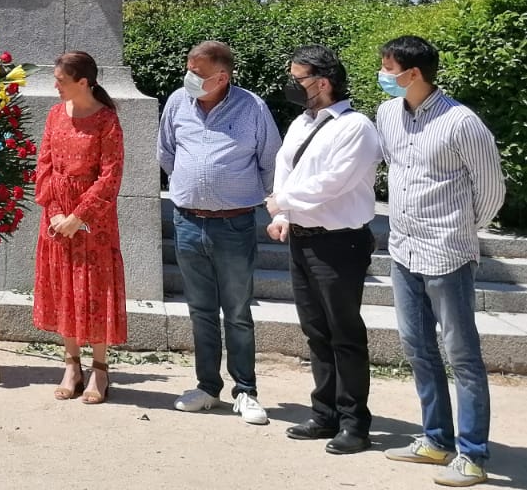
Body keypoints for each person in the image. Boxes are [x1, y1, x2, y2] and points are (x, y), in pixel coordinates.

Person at [377, 36, 506, 488]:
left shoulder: (461, 122)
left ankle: (472, 453)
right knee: (417, 348)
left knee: (462, 355)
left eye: (388, 68)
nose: (383, 75)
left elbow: (490, 191)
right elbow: (394, 168)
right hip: (403, 249)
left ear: (413, 74)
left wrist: (459, 230)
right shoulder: (388, 114)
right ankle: (435, 439)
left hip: (446, 253)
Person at [266, 45, 384, 454]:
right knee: (316, 331)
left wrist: (282, 201)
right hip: (303, 238)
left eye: (297, 78)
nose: (291, 85)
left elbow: (333, 182)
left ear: (323, 82)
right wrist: (284, 214)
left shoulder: (356, 127)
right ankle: (325, 413)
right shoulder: (302, 122)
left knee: (344, 334)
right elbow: (287, 168)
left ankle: (355, 423)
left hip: (340, 243)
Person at [158, 40, 281, 424]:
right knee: (200, 311)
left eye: (198, 73)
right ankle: (208, 387)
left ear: (222, 76)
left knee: (238, 311)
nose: (189, 77)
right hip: (188, 221)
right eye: (189, 69)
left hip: (234, 223)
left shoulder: (253, 107)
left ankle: (245, 390)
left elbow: (270, 163)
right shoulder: (179, 101)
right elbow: (166, 151)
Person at [34, 50, 127, 404]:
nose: (55, 85)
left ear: (83, 82)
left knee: (94, 288)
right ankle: (71, 365)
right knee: (63, 287)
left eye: (60, 80)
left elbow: (110, 175)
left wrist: (79, 216)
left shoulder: (107, 122)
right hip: (56, 219)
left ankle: (100, 369)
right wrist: (57, 211)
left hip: (94, 222)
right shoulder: (55, 114)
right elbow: (44, 165)